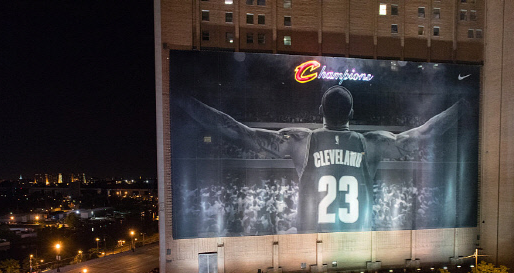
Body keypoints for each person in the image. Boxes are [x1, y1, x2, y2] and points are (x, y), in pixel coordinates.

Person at [178, 87, 466, 234]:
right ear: (351, 115)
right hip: (358, 244)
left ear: (320, 111)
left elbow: (238, 131)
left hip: (311, 246)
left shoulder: (302, 141)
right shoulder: (372, 143)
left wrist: (185, 101)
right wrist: (461, 107)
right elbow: (423, 134)